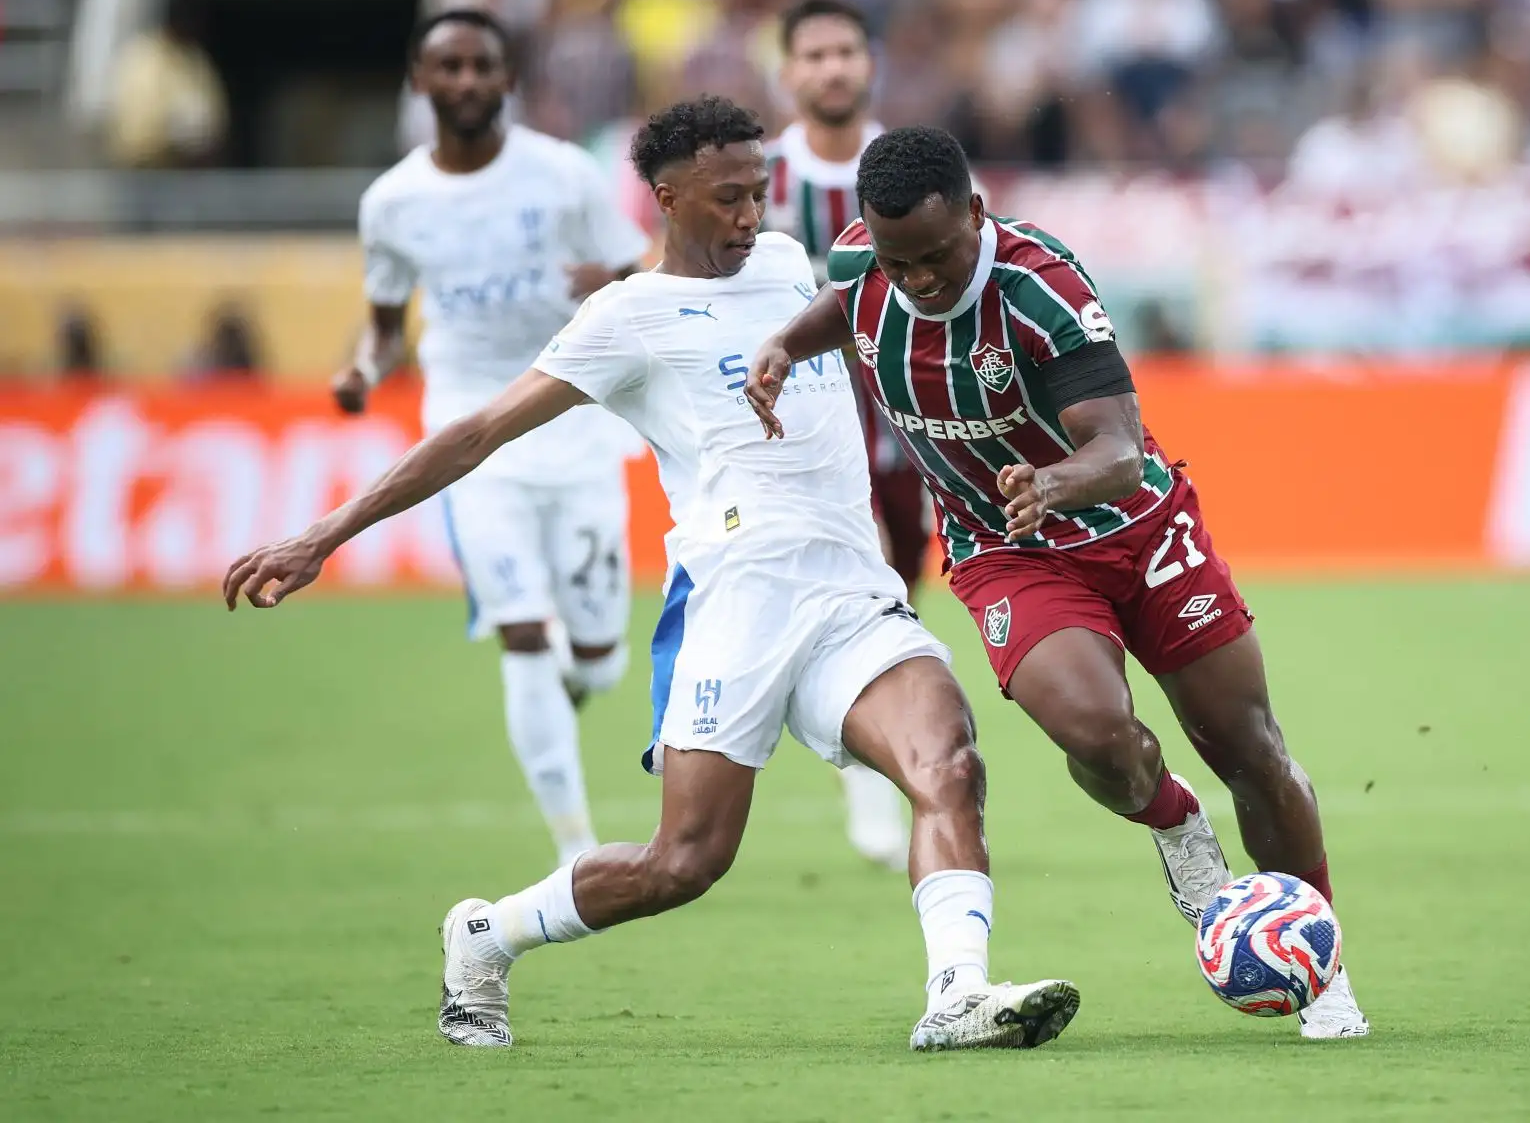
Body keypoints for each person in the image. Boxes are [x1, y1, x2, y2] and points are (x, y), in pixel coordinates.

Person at [221, 96, 1081, 1054]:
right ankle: (488, 934)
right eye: (727, 199)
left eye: (758, 193)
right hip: (736, 607)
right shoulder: (627, 317)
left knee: (949, 765)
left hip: (850, 594)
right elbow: (475, 433)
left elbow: (917, 314)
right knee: (685, 861)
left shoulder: (792, 267)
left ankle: (958, 994)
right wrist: (323, 535)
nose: (750, 216)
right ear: (667, 200)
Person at [747, 126, 1370, 1040]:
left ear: (975, 212)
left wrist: (1050, 484)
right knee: (1097, 735)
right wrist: (783, 345)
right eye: (898, 261)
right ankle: (1177, 823)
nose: (919, 280)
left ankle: (1322, 975)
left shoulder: (1041, 291)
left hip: (1138, 531)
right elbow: (849, 305)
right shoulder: (865, 263)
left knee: (1249, 748)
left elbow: (1117, 448)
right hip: (1009, 548)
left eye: (936, 256)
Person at [335, 9, 648, 868]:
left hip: (574, 416)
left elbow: (645, 275)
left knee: (598, 658)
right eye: (450, 66)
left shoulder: (565, 173)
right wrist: (363, 368)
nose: (467, 81)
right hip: (470, 432)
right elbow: (385, 330)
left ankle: (574, 677)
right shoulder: (391, 202)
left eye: (482, 66)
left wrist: (613, 279)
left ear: (509, 79)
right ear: (420, 80)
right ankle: (576, 850)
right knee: (522, 631)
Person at [763, 0, 929, 871]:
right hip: (798, 409)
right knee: (857, 567)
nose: (831, 68)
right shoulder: (759, 178)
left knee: (901, 569)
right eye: (814, 54)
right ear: (787, 70)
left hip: (905, 404)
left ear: (870, 64)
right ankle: (869, 767)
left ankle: (863, 727)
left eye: (845, 52)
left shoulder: (917, 166)